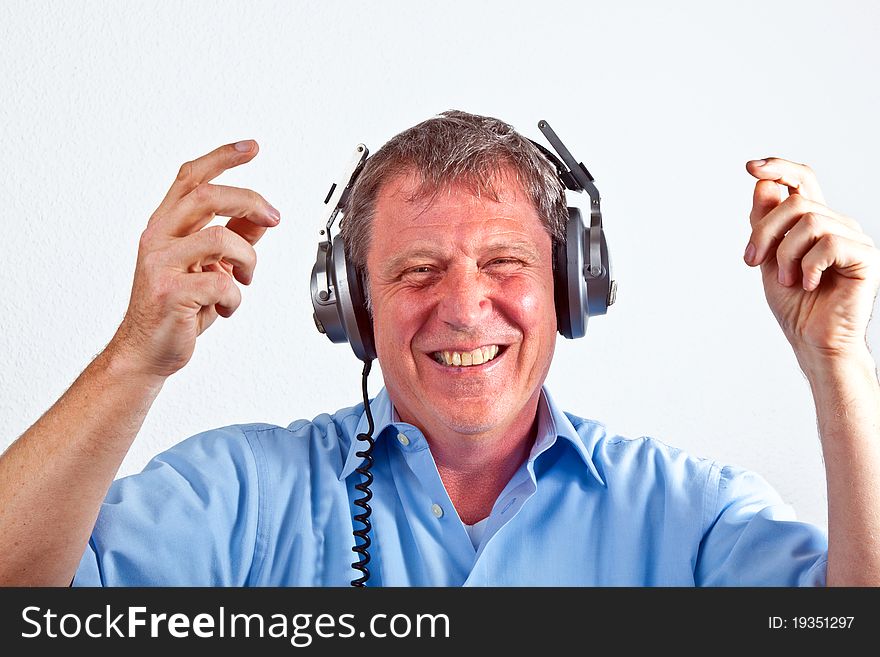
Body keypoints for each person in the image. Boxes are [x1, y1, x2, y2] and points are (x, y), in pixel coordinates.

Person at [1, 110, 879, 586]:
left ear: (572, 285)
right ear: (350, 306)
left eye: (505, 261)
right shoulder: (237, 498)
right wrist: (133, 357)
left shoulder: (694, 516)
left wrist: (839, 364)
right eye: (417, 269)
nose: (464, 308)